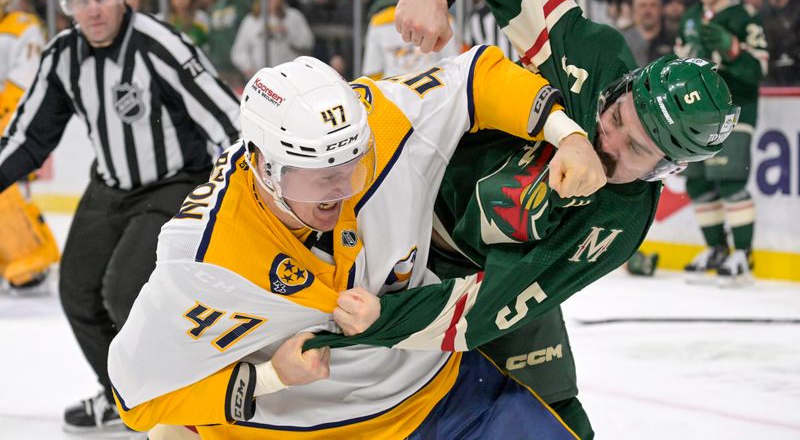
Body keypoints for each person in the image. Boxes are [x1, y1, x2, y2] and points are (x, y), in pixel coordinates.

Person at [303, 0, 738, 439]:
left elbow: (483, 307)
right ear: (624, 86)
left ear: (668, 170)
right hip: (384, 197)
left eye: (638, 151)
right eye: (619, 118)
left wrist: (385, 320)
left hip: (455, 267)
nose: (611, 143)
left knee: (554, 412)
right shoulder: (593, 58)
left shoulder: (616, 221)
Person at [109, 48, 607, 436]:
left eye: (353, 165)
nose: (344, 188)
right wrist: (270, 378)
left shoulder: (384, 121)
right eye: (322, 175)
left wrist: (567, 134)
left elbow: (476, 77)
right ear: (264, 167)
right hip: (300, 431)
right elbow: (134, 396)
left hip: (439, 395)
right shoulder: (204, 259)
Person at [0, 0, 241, 435]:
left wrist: (238, 193)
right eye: (79, 0)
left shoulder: (158, 44)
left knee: (125, 288)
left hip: (175, 183)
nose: (92, 10)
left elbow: (224, 119)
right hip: (110, 186)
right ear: (66, 5)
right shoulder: (63, 57)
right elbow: (28, 137)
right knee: (76, 291)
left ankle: (174, 394)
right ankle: (121, 395)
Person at [676, 0, 767, 283]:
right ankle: (717, 249)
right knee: (698, 182)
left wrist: (734, 51)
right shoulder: (689, 18)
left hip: (735, 110)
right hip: (696, 115)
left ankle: (743, 255)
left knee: (730, 179)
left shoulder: (744, 17)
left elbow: (760, 68)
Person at [0, 0, 59, 292]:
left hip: (13, 125)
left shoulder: (23, 27)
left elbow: (24, 83)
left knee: (9, 192)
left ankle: (31, 264)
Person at [362, 0, 459, 80]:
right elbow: (373, 70)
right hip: (394, 93)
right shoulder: (379, 21)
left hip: (433, 93)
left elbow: (452, 64)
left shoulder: (443, 18)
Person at [231, 0, 314, 77]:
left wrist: (288, 32)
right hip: (263, 80)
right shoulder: (251, 20)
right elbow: (238, 51)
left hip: (290, 78)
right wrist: (248, 68)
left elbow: (307, 43)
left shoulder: (293, 16)